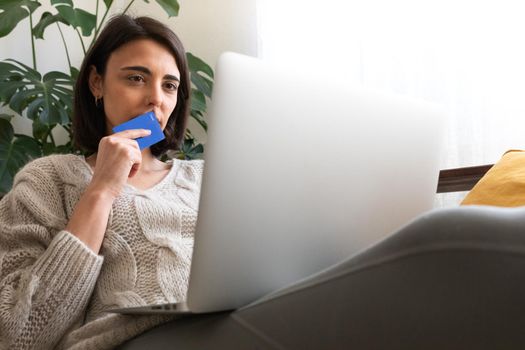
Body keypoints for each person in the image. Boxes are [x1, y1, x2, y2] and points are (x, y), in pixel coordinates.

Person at [0, 14, 202, 349]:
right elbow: (17, 336)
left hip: (231, 326)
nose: (157, 98)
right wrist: (102, 190)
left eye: (169, 85)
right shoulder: (46, 181)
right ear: (97, 83)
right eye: (136, 78)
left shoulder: (205, 179)